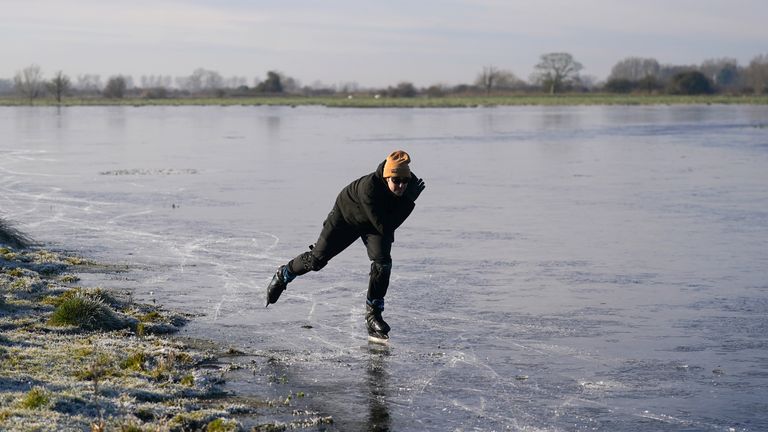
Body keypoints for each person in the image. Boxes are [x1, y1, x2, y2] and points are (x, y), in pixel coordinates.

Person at [265, 150, 425, 342]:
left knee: (383, 263)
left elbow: (385, 224)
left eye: (405, 181)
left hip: (376, 222)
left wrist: (406, 199)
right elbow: (385, 226)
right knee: (317, 260)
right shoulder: (369, 188)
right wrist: (408, 202)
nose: (401, 185)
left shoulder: (407, 181)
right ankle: (284, 274)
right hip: (347, 217)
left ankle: (373, 314)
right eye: (396, 181)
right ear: (386, 176)